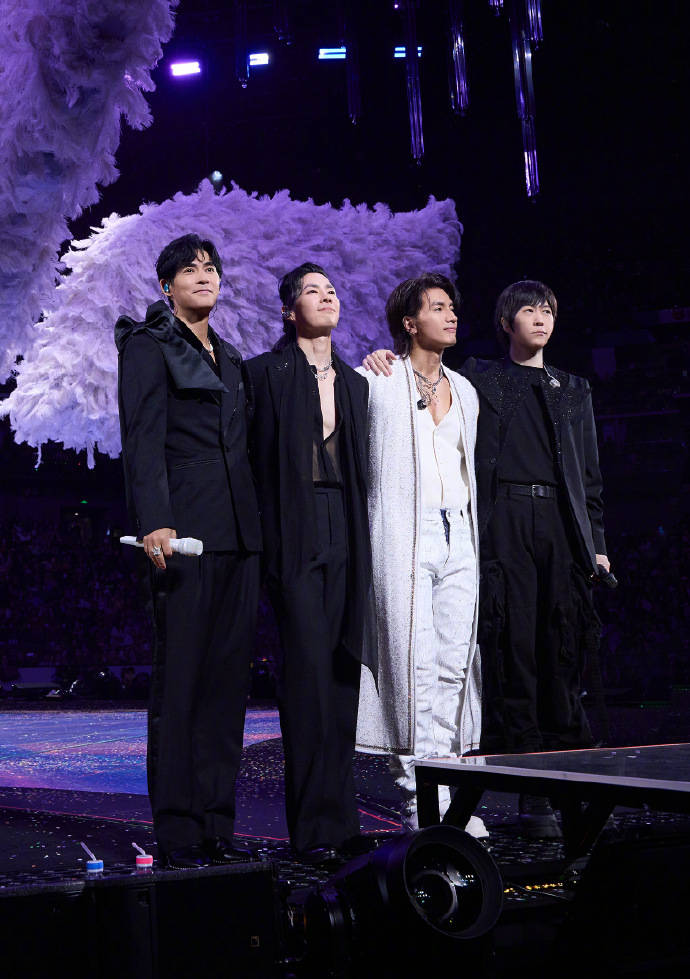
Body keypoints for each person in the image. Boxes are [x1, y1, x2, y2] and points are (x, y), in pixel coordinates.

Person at [365, 279, 610, 837]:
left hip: (555, 527)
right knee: (509, 655)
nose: (540, 318)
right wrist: (382, 355)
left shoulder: (571, 388)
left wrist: (595, 543)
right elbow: (415, 373)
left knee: (558, 656)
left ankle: (570, 787)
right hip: (498, 524)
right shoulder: (480, 377)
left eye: (548, 310)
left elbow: (589, 476)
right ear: (505, 322)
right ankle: (517, 795)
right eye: (528, 310)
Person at [115, 233, 262, 868]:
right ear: (167, 285)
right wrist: (156, 521)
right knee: (181, 683)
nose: (204, 276)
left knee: (227, 687)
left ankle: (216, 824)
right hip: (183, 535)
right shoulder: (148, 345)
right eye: (190, 269)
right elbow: (142, 437)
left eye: (211, 268)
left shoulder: (230, 356)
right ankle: (177, 830)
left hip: (238, 535)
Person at [243, 263, 375, 865]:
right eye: (313, 291)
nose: (327, 298)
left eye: (332, 291)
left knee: (343, 673)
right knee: (305, 676)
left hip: (345, 525)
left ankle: (342, 823)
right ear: (288, 310)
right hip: (292, 530)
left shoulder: (356, 382)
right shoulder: (263, 374)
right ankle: (312, 829)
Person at [356, 274, 487, 838]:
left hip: (460, 535)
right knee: (413, 665)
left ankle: (453, 794)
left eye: (452, 306)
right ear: (410, 324)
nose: (451, 314)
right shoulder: (378, 380)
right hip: (404, 535)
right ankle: (421, 799)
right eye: (437, 307)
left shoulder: (466, 390)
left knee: (455, 664)